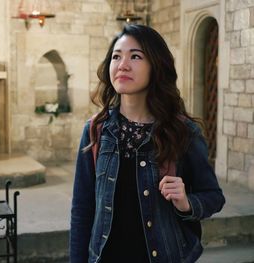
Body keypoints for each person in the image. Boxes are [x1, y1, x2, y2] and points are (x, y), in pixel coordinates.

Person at [70, 24, 225, 263]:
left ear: (156, 65)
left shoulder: (183, 132)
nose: (123, 65)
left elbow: (214, 197)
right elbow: (82, 210)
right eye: (116, 56)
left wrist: (186, 203)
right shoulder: (96, 130)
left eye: (135, 56)